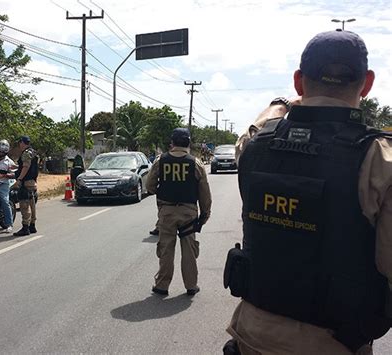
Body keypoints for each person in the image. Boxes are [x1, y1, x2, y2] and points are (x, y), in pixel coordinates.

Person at [224, 30, 392, 355]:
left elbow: (249, 135)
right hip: (334, 342)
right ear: (367, 83)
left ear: (299, 81)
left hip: (252, 335)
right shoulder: (379, 161)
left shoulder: (255, 148)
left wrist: (280, 104)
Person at [146, 128, 212, 296]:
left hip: (166, 213)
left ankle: (162, 286)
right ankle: (191, 285)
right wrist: (204, 215)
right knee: (189, 250)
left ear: (172, 143)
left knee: (166, 249)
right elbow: (204, 193)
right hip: (189, 214)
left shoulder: (160, 161)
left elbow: (150, 187)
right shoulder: (195, 163)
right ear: (188, 143)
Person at [13, 136, 39, 237]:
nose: (19, 145)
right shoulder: (33, 152)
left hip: (26, 182)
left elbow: (26, 166)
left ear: (23, 143)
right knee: (32, 204)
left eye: (20, 142)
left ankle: (25, 227)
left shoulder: (26, 153)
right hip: (32, 182)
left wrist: (19, 179)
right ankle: (32, 225)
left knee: (24, 205)